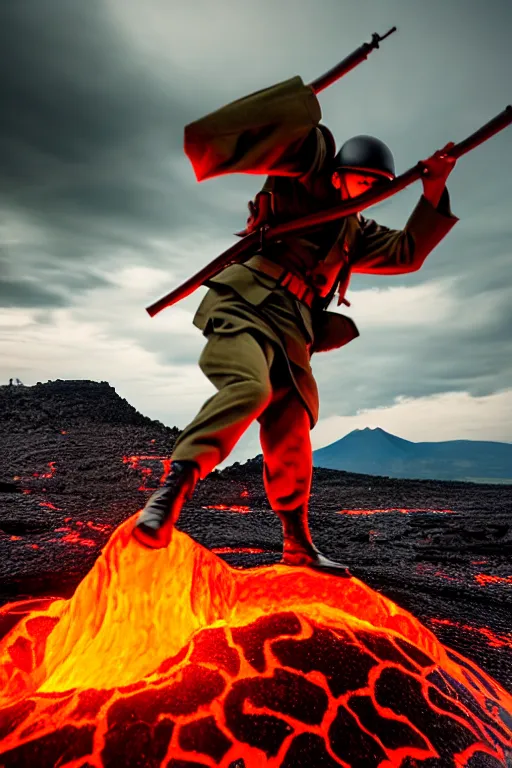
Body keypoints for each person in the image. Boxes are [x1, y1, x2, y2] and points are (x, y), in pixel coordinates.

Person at [132, 76, 458, 575]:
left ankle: (297, 544)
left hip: (294, 332)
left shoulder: (357, 231)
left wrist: (434, 187)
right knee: (247, 388)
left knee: (292, 431)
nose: (368, 191)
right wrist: (312, 120)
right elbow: (306, 144)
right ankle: (170, 495)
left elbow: (408, 252)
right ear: (338, 174)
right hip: (246, 303)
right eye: (361, 179)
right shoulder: (303, 179)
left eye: (378, 186)